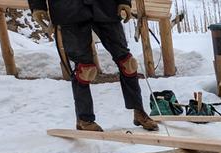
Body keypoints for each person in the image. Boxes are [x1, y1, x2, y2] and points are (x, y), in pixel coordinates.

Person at [29, 0, 159, 132]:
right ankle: (84, 119)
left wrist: (123, 1)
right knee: (84, 70)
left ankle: (139, 111)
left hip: (105, 7)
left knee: (128, 63)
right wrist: (37, 6)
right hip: (69, 10)